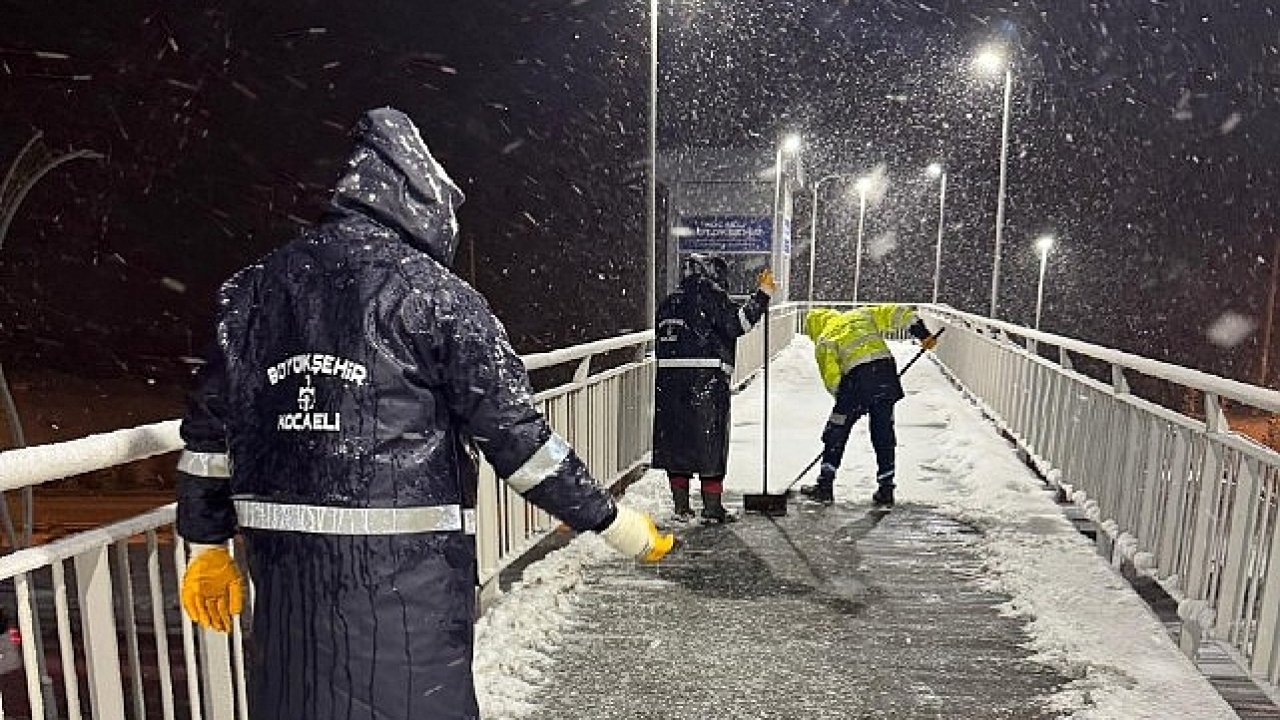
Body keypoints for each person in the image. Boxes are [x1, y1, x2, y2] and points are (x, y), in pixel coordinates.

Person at [174, 107, 673, 720]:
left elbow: (208, 432)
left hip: (287, 592)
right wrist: (610, 520)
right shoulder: (437, 299)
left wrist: (205, 544)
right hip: (404, 594)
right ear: (421, 204)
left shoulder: (251, 293)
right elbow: (517, 440)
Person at [652, 253, 775, 522]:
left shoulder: (669, 303)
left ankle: (681, 509)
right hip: (705, 382)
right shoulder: (712, 298)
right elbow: (738, 323)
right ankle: (712, 509)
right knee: (710, 445)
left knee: (678, 448)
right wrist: (763, 295)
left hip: (669, 385)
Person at [799, 304, 938, 506]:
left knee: (836, 429)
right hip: (885, 372)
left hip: (857, 379)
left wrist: (849, 402)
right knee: (883, 432)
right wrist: (922, 333)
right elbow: (899, 313)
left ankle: (824, 485)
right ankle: (886, 489)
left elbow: (832, 379)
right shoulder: (860, 314)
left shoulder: (824, 339)